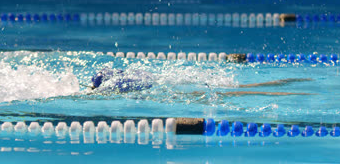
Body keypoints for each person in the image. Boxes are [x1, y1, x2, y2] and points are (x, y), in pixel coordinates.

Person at [91, 68, 313, 96]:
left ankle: (286, 91)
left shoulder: (111, 86)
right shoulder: (123, 74)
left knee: (234, 94)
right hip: (167, 78)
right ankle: (284, 83)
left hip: (168, 88)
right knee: (238, 89)